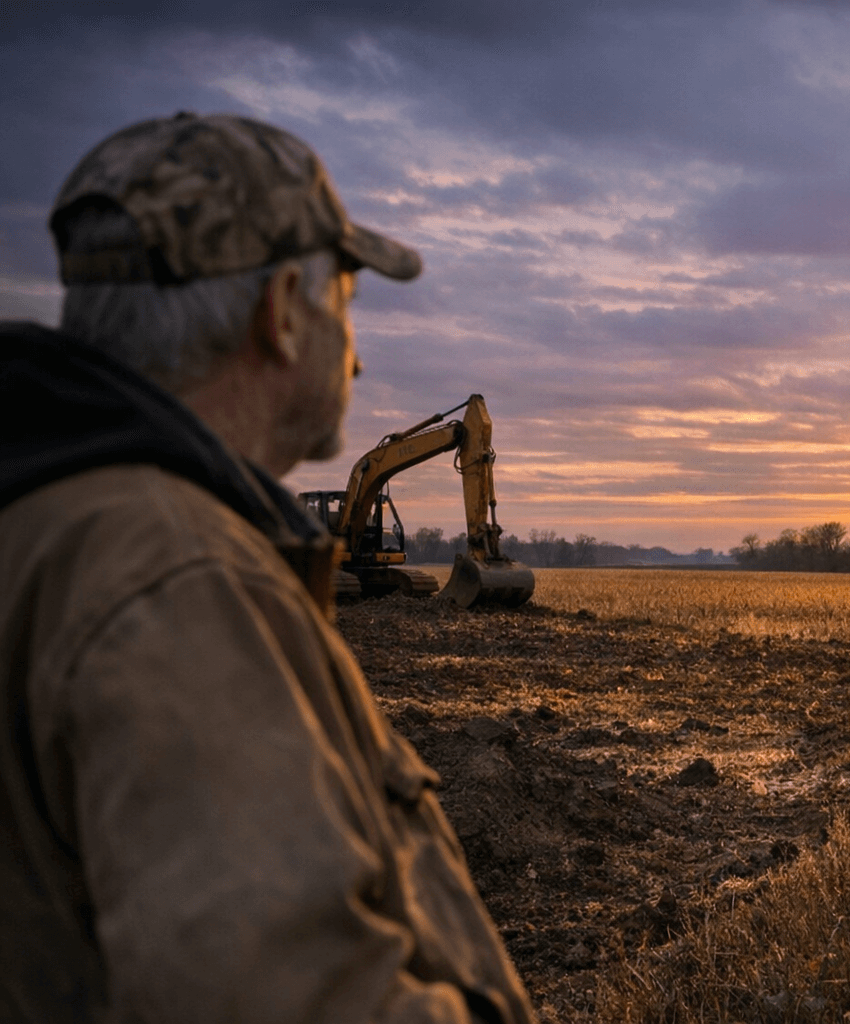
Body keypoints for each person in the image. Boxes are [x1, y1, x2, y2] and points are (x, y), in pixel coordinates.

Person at [0, 113, 537, 1023]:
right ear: (281, 310)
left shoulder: (47, 524)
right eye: (347, 301)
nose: (356, 349)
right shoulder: (176, 583)